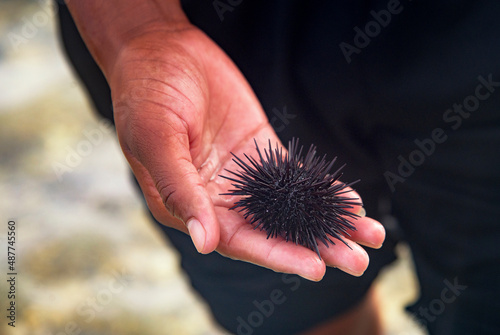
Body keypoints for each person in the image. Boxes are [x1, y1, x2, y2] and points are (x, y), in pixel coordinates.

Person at [57, 1, 500, 334]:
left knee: (480, 309)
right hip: (215, 59)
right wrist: (141, 30)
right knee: (307, 320)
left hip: (468, 42)